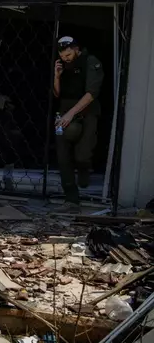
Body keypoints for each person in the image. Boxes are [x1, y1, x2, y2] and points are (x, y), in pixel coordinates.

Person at [53, 36, 103, 213]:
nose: (66, 58)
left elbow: (91, 93)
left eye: (68, 54)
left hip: (86, 112)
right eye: (63, 55)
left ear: (76, 49)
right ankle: (71, 199)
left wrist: (71, 114)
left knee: (82, 153)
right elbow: (57, 94)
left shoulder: (90, 62)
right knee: (63, 156)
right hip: (64, 112)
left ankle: (84, 168)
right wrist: (57, 77)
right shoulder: (62, 65)